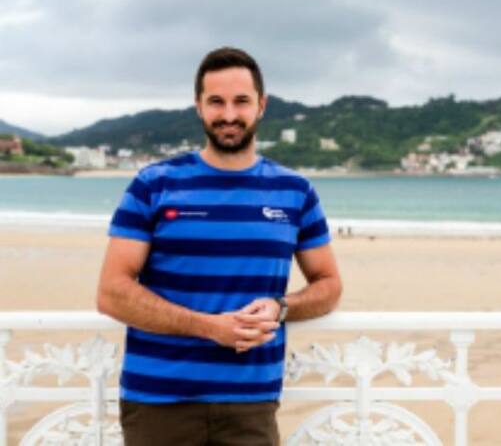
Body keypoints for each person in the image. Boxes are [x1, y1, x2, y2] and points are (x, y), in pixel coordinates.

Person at [96, 46, 342, 445]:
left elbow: (329, 285)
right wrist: (209, 328)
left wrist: (281, 307)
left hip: (251, 405)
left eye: (241, 101)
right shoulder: (154, 184)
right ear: (198, 106)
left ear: (261, 105)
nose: (229, 114)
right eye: (216, 102)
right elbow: (112, 293)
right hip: (159, 402)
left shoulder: (295, 191)